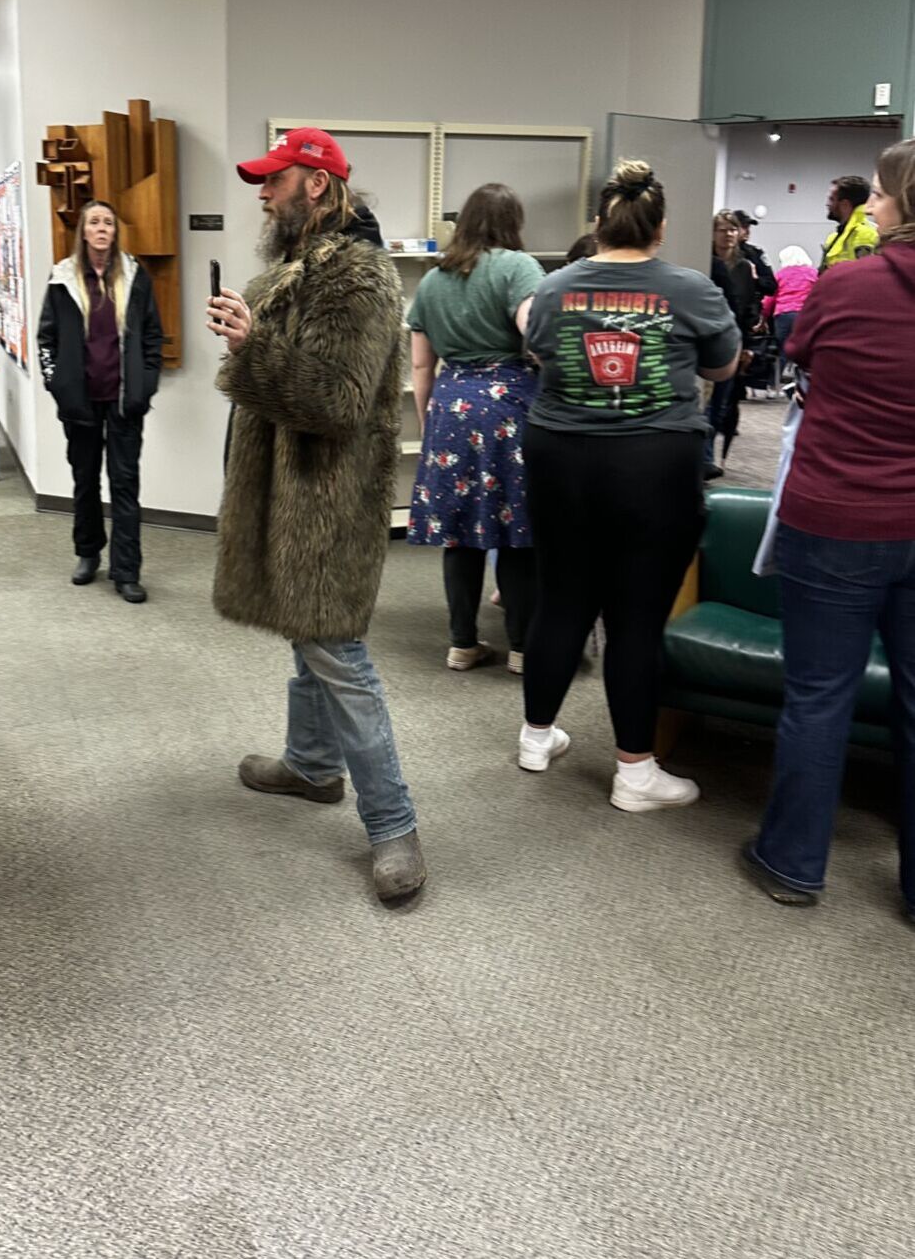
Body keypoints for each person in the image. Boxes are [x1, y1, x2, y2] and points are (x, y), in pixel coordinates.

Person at [207, 127, 425, 904]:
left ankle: (394, 824)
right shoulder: (295, 274)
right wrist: (252, 335)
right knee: (308, 636)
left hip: (328, 501)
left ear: (319, 187)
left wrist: (255, 344)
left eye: (275, 181)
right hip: (289, 493)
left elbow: (336, 400)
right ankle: (311, 765)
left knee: (337, 651)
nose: (262, 194)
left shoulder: (358, 279)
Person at [518, 160, 739, 810]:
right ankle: (634, 773)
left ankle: (536, 738)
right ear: (660, 230)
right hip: (652, 463)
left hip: (559, 455)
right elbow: (723, 366)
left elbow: (539, 352)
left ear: (599, 223)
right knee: (636, 617)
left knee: (561, 598)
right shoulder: (691, 288)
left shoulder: (553, 287)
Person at [744, 140, 915, 916]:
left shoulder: (846, 287)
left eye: (880, 195)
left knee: (819, 697)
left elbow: (800, 354)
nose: (872, 206)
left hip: (837, 518)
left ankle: (793, 862)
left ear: (904, 204)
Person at [405, 183, 543, 674]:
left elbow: (421, 367)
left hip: (449, 406)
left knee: (459, 532)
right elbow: (538, 331)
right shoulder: (518, 267)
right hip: (509, 406)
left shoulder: (432, 280)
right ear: (513, 221)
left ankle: (462, 643)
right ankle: (523, 649)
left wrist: (429, 424)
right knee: (517, 531)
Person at [37, 199, 162, 602]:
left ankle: (126, 571)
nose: (102, 228)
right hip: (81, 402)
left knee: (125, 485)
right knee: (85, 482)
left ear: (115, 230)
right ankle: (88, 553)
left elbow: (152, 336)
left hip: (124, 401)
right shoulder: (62, 279)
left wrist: (146, 383)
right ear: (84, 231)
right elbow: (47, 338)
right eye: (94, 222)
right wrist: (57, 382)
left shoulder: (136, 276)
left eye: (108, 221)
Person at [706, 209, 761, 475]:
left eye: (732, 229)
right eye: (722, 229)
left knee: (722, 404)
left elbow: (749, 306)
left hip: (734, 339)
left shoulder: (744, 266)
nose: (728, 234)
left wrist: (747, 344)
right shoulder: (705, 262)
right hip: (708, 338)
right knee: (705, 402)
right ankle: (704, 457)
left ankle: (711, 454)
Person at [762, 245, 817, 373]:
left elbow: (770, 298)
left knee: (782, 350)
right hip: (805, 315)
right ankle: (804, 383)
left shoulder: (780, 275)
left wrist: (763, 316)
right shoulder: (813, 273)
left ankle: (773, 384)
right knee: (806, 350)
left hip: (783, 315)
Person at [821, 174, 879, 270]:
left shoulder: (865, 235)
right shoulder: (834, 237)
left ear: (845, 205)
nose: (827, 204)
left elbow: (867, 275)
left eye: (831, 199)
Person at [732, 210, 777, 302]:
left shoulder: (756, 253)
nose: (748, 231)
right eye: (744, 227)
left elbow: (771, 286)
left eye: (748, 227)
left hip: (750, 307)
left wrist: (755, 278)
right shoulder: (720, 252)